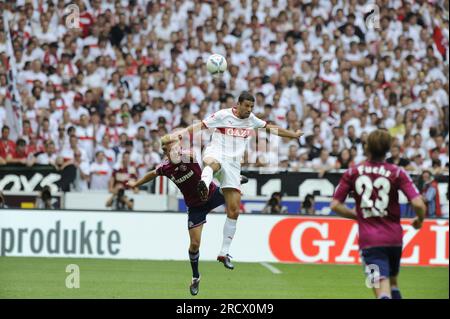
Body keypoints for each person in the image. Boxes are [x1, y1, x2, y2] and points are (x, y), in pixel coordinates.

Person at [163, 91, 302, 271]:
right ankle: (204, 183)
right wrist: (182, 134)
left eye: (252, 106)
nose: (249, 109)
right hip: (216, 153)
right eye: (247, 106)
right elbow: (201, 125)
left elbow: (272, 129)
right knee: (212, 164)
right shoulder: (223, 115)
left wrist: (293, 135)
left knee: (234, 210)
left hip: (234, 166)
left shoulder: (251, 119)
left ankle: (224, 252)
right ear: (238, 104)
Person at [127, 137, 248, 296]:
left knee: (231, 195)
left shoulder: (188, 156)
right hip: (195, 207)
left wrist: (183, 152)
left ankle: (234, 179)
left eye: (178, 147)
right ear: (166, 153)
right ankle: (196, 277)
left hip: (211, 195)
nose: (178, 150)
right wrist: (136, 184)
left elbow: (193, 156)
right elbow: (152, 174)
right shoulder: (165, 168)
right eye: (173, 149)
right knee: (195, 245)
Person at [330, 129, 426, 299]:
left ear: (367, 148)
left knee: (378, 286)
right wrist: (419, 219)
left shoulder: (352, 172)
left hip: (370, 241)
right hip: (395, 240)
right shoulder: (397, 172)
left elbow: (336, 204)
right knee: (393, 283)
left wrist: (358, 215)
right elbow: (418, 203)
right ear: (388, 149)